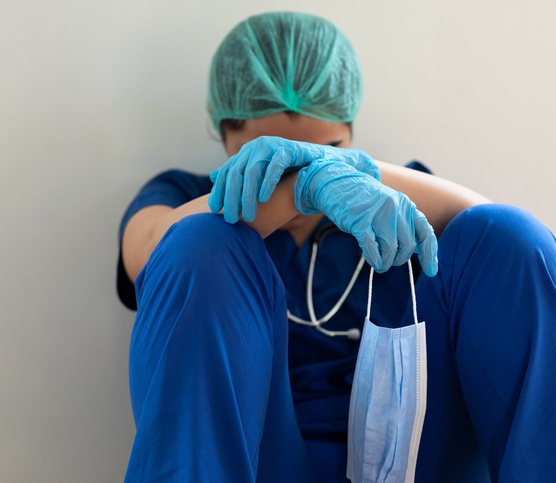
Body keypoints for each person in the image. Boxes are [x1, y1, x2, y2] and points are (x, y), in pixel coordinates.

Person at [116, 12, 556, 483]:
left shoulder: (388, 197)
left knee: (507, 235)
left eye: (326, 146)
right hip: (263, 458)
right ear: (226, 133)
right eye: (275, 154)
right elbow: (146, 252)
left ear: (349, 131)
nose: (303, 164)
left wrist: (343, 170)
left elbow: (507, 245)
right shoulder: (184, 196)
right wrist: (297, 190)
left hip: (417, 452)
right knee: (197, 242)